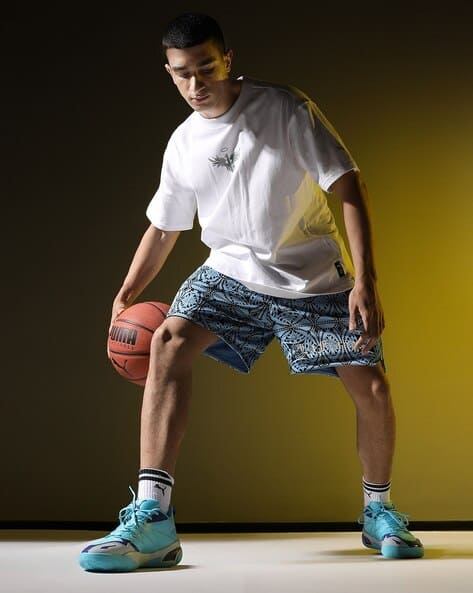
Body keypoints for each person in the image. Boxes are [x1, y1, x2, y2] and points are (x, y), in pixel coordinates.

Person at [79, 12, 424, 572]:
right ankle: (154, 517)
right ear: (169, 72)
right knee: (168, 340)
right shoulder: (183, 142)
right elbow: (164, 227)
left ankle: (379, 510)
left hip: (311, 275)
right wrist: (127, 291)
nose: (196, 84)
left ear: (228, 59)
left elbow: (349, 185)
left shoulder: (286, 109)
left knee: (373, 388)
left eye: (206, 68)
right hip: (232, 272)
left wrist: (366, 280)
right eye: (183, 73)